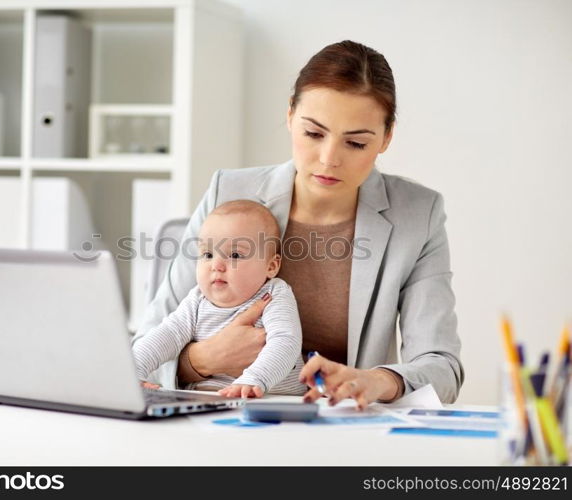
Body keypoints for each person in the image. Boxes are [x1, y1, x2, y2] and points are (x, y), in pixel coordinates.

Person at [133, 40, 464, 407]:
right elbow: (150, 338)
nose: (328, 158)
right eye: (313, 133)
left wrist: (378, 380)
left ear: (386, 138)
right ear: (290, 115)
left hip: (342, 429)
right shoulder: (228, 190)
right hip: (224, 417)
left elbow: (442, 368)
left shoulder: (418, 214)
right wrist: (202, 360)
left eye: (354, 143)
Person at [133, 200, 307, 397]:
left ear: (271, 266)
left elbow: (286, 342)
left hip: (271, 399)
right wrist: (132, 372)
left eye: (234, 254)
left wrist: (254, 379)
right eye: (207, 254)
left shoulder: (273, 294)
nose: (216, 265)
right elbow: (165, 336)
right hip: (204, 400)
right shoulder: (197, 299)